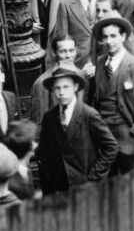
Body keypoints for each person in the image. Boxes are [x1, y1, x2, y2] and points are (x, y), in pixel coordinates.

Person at [87, 15, 134, 174]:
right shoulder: (99, 63)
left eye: (113, 36)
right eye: (105, 37)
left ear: (123, 36)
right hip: (104, 136)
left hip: (128, 136)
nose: (109, 41)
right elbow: (95, 99)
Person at [35, 64, 118, 195]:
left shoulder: (88, 114)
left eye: (66, 87)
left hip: (85, 185)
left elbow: (111, 147)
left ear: (75, 87)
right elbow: (44, 150)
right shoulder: (49, 117)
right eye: (57, 88)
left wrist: (94, 177)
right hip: (59, 187)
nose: (61, 93)